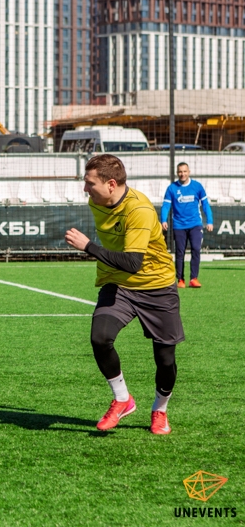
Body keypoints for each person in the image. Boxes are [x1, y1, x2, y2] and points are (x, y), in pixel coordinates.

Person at [65, 154, 183, 435]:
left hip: (156, 286)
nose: (85, 189)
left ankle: (160, 409)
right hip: (118, 284)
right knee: (100, 337)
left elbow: (132, 262)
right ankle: (122, 399)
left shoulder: (139, 209)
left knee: (165, 359)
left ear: (111, 184)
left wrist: (88, 246)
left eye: (90, 183)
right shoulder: (96, 201)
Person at [160, 162, 214, 288]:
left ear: (189, 172)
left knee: (196, 249)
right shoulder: (172, 188)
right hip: (179, 226)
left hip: (195, 224)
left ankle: (194, 278)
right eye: (180, 171)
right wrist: (163, 220)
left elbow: (205, 205)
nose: (182, 174)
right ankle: (180, 279)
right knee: (180, 253)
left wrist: (210, 221)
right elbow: (166, 205)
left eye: (184, 171)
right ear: (177, 173)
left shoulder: (197, 186)